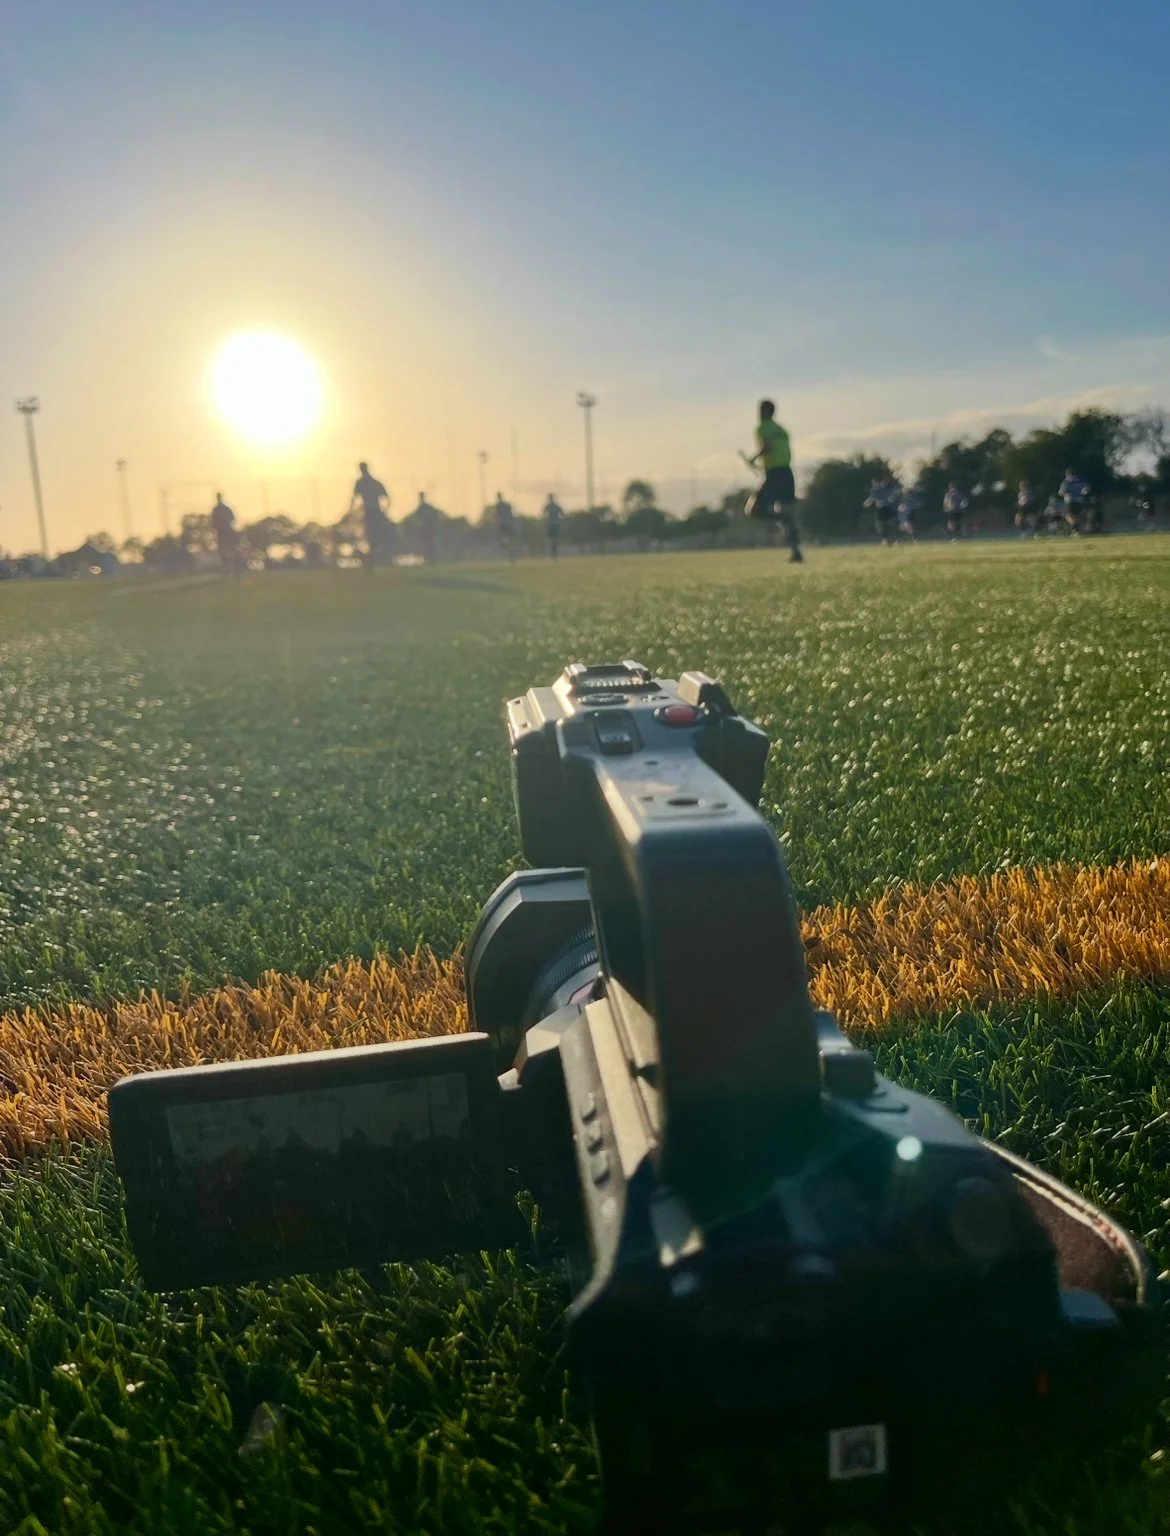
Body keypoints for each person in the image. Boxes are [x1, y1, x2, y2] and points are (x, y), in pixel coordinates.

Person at [746, 399, 802, 561]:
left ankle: (783, 519)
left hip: (774, 473)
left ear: (761, 411)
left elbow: (767, 447)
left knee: (753, 510)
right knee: (787, 510)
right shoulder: (782, 429)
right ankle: (796, 551)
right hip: (787, 473)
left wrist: (753, 459)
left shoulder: (762, 428)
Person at [351, 462, 394, 568]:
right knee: (372, 537)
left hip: (371, 512)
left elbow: (354, 499)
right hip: (372, 512)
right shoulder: (372, 482)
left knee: (373, 537)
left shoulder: (363, 483)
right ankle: (371, 560)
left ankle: (372, 560)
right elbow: (387, 498)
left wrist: (352, 511)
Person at [865, 476, 900, 545]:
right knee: (892, 524)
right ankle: (896, 540)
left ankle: (886, 540)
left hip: (881, 508)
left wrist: (867, 503)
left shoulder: (876, 489)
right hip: (888, 508)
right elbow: (893, 496)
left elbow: (872, 498)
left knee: (880, 525)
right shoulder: (887, 488)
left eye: (873, 482)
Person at [209, 492, 238, 573]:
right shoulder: (218, 509)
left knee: (228, 548)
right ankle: (226, 567)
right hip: (221, 531)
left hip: (226, 531)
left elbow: (232, 519)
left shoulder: (222, 509)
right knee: (223, 549)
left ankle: (230, 567)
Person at [413, 491, 440, 565]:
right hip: (424, 529)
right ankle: (428, 559)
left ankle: (430, 559)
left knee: (428, 544)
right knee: (425, 544)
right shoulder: (422, 507)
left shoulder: (424, 507)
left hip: (427, 529)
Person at [494, 492, 516, 562]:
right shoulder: (506, 505)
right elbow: (511, 515)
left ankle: (510, 554)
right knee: (506, 540)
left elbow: (497, 515)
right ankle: (510, 554)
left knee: (503, 541)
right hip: (507, 525)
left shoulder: (498, 506)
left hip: (503, 525)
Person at [542, 493, 564, 559]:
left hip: (553, 525)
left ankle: (554, 554)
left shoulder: (550, 506)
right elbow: (562, 514)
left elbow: (543, 514)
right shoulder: (554, 506)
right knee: (553, 540)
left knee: (553, 540)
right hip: (552, 525)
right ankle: (553, 554)